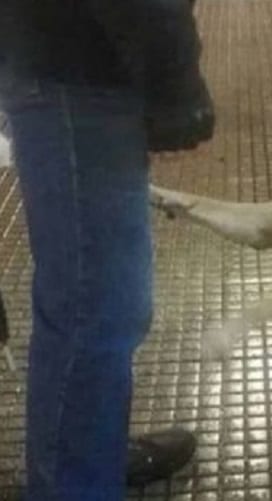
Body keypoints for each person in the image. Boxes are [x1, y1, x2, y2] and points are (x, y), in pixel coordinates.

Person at [0, 0, 215, 499]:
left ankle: (90, 452)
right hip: (76, 70)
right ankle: (75, 481)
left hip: (69, 60)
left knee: (95, 303)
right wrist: (175, 76)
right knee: (94, 310)